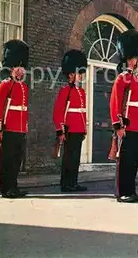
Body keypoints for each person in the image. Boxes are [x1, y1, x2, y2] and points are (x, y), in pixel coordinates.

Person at [110, 29, 138, 203]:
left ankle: (131, 190)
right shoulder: (123, 78)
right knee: (125, 160)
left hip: (137, 124)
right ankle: (122, 192)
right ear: (129, 59)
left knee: (133, 160)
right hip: (126, 125)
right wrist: (118, 125)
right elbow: (115, 103)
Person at [0, 40, 29, 198]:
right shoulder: (5, 85)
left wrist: (25, 127)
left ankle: (14, 186)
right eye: (18, 68)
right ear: (12, 68)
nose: (20, 71)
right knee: (6, 160)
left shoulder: (24, 87)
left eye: (22, 68)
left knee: (16, 160)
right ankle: (6, 188)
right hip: (8, 128)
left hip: (20, 129)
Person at [53, 50, 88, 192]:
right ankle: (66, 183)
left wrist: (84, 129)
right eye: (78, 74)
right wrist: (60, 130)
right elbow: (58, 113)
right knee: (68, 159)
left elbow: (82, 113)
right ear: (71, 74)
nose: (80, 76)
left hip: (79, 129)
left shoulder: (81, 92)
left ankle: (73, 182)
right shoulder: (65, 90)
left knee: (75, 159)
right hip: (69, 129)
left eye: (81, 74)